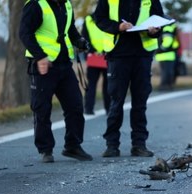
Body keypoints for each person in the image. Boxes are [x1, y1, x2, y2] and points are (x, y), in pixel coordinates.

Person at [19, 0, 93, 163]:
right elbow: (25, 34)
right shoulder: (35, 5)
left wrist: (79, 41)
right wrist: (40, 56)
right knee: (42, 109)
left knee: (75, 106)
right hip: (42, 65)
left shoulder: (66, 4)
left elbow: (70, 29)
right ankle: (45, 149)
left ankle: (73, 146)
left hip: (64, 64)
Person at [94, 0, 164, 157]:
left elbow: (159, 19)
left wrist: (155, 31)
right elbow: (99, 18)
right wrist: (118, 27)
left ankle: (139, 144)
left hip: (142, 55)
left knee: (140, 102)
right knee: (116, 102)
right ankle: (112, 145)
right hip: (118, 55)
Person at [82, 14, 110, 115]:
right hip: (106, 54)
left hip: (93, 56)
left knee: (92, 84)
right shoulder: (108, 17)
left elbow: (84, 37)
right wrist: (103, 50)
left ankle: (88, 109)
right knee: (107, 84)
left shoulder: (88, 19)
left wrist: (92, 50)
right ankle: (108, 108)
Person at [155, 23, 178, 91]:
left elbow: (167, 42)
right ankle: (167, 85)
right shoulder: (170, 27)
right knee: (167, 71)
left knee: (165, 72)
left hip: (165, 54)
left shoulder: (167, 28)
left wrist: (160, 49)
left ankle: (165, 86)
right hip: (168, 55)